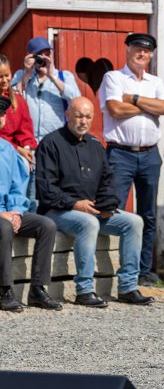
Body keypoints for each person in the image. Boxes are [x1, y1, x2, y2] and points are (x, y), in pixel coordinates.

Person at [35, 97, 155, 307]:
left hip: (93, 209)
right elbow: (46, 190)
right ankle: (85, 290)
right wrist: (75, 204)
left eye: (88, 117)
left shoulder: (95, 145)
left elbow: (107, 182)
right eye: (79, 115)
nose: (83, 121)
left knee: (134, 222)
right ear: (68, 115)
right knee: (88, 223)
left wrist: (107, 205)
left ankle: (128, 286)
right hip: (58, 210)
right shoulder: (50, 143)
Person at [97, 33, 164, 287]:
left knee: (148, 214)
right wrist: (150, 106)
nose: (142, 53)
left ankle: (143, 271)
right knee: (113, 211)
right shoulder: (113, 78)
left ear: (151, 54)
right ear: (128, 50)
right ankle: (116, 269)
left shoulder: (155, 81)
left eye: (146, 50)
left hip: (150, 154)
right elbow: (116, 110)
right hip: (121, 153)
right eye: (137, 48)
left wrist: (135, 99)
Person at [0, 96, 62, 312]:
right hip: (1, 217)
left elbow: (18, 185)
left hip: (8, 212)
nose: (0, 118)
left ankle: (38, 288)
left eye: (1, 114)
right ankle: (4, 289)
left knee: (46, 225)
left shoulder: (7, 149)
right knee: (4, 226)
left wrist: (16, 211)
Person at [11, 37, 81, 211]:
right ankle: (29, 223)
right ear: (31, 57)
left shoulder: (64, 76)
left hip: (55, 144)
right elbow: (11, 99)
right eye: (39, 55)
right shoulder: (21, 75)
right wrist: (27, 74)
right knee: (29, 192)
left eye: (46, 53)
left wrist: (51, 75)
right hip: (29, 145)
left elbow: (76, 100)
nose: (43, 58)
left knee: (54, 186)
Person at [0, 54, 37, 171]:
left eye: (7, 75)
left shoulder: (19, 101)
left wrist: (28, 149)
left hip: (16, 155)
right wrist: (18, 149)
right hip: (4, 154)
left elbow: (26, 130)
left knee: (30, 165)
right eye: (0, 77)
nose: (5, 80)